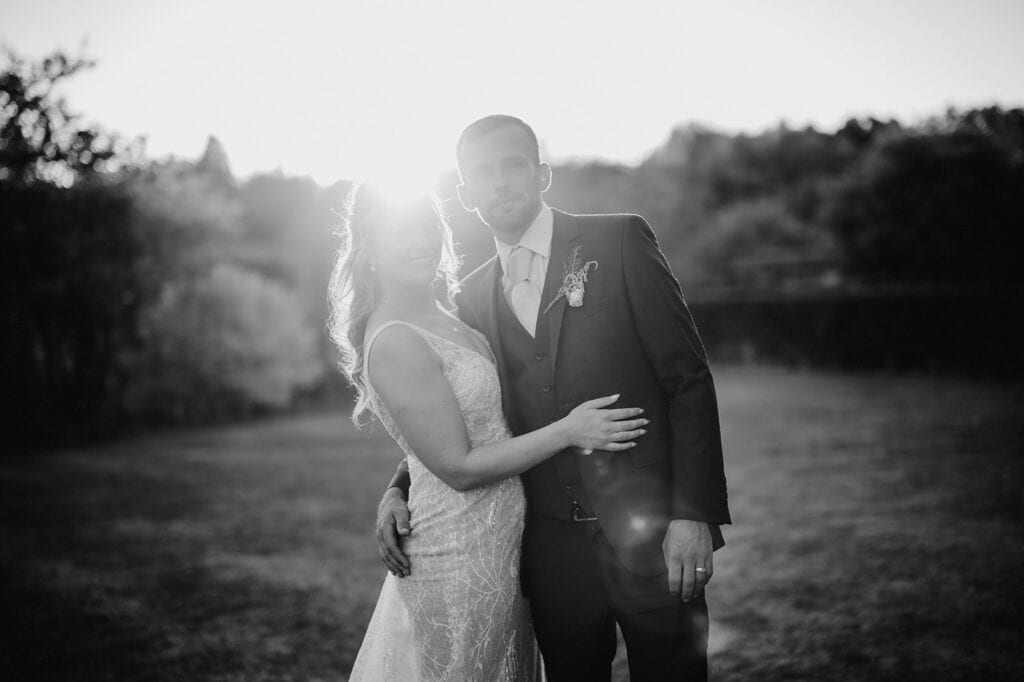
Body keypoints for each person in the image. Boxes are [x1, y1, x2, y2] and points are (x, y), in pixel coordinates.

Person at [377, 115, 731, 681]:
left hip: (654, 530)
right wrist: (397, 490)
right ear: (466, 195)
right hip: (550, 551)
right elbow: (466, 414)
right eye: (482, 174)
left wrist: (692, 515)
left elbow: (687, 379)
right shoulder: (469, 298)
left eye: (513, 164)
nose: (500, 182)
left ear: (541, 174)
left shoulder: (618, 241)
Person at [328, 183, 649, 681]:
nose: (420, 243)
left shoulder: (450, 313)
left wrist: (396, 488)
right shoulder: (394, 339)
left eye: (427, 228)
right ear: (369, 250)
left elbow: (473, 424)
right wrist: (569, 430)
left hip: (506, 547)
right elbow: (456, 466)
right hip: (457, 553)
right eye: (400, 234)